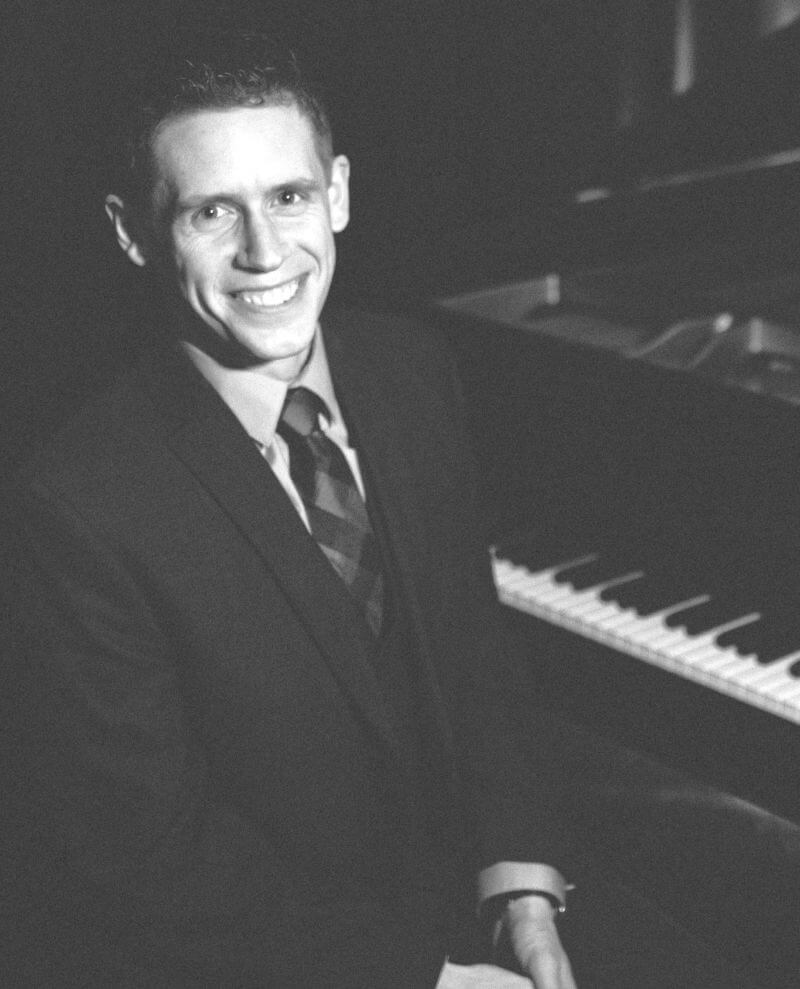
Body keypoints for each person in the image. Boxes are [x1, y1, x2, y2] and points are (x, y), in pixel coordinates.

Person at [0, 28, 758, 989]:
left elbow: (475, 660)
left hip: (472, 891)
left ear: (340, 194)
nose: (266, 251)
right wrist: (429, 979)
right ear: (131, 231)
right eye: (210, 213)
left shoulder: (411, 368)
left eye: (288, 196)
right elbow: (151, 869)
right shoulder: (75, 502)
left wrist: (520, 886)